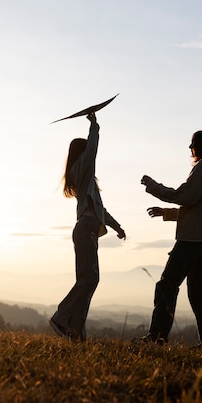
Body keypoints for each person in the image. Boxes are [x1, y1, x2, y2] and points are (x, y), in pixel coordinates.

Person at [139, 129, 202, 348]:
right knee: (200, 294)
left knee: (167, 285)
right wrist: (166, 213)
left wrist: (152, 186)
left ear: (201, 146)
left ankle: (156, 337)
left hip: (191, 241)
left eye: (192, 143)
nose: (190, 148)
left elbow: (184, 196)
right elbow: (200, 210)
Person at [50, 112, 126, 342]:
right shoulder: (80, 170)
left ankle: (76, 332)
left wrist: (116, 226)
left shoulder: (86, 181)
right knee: (88, 280)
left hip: (87, 230)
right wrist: (94, 126)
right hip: (85, 230)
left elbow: (101, 210)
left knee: (89, 281)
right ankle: (61, 318)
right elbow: (92, 151)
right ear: (81, 154)